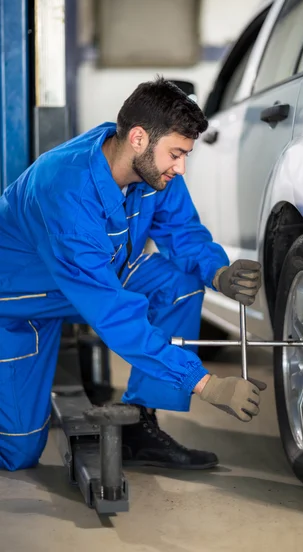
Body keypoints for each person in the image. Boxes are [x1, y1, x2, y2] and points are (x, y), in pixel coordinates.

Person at [0, 77, 264, 472]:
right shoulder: (66, 191)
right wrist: (206, 383)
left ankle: (139, 423)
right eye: (176, 154)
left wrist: (219, 272)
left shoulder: (153, 172)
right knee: (18, 454)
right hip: (23, 309)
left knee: (177, 283)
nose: (182, 166)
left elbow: (183, 233)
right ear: (139, 138)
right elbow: (113, 313)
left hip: (96, 280)